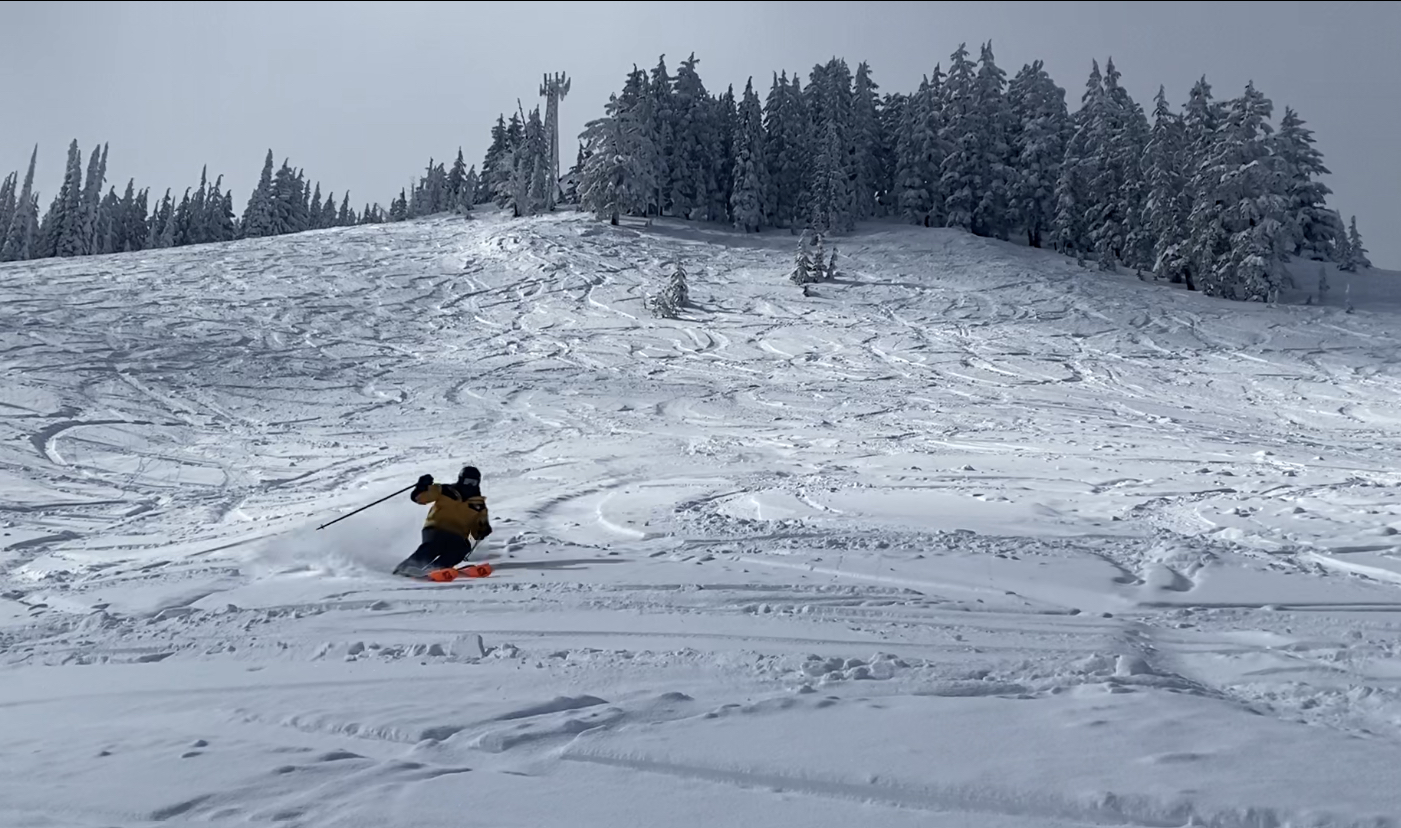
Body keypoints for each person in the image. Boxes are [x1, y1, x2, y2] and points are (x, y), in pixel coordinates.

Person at [392, 465, 493, 577]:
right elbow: (420, 498)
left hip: (457, 535)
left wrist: (482, 529)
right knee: (434, 546)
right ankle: (405, 568)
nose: (470, 485)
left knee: (462, 548)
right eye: (467, 481)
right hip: (436, 528)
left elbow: (477, 530)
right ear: (460, 480)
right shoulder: (445, 490)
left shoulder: (479, 505)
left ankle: (436, 569)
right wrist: (422, 487)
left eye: (473, 483)